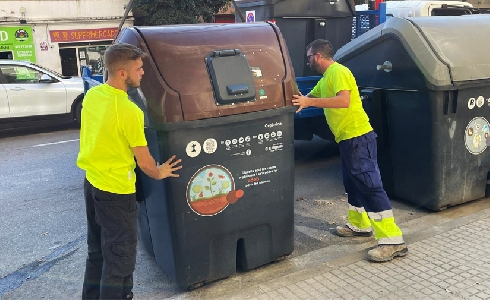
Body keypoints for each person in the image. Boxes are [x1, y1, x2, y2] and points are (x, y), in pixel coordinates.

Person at [77, 43, 182, 299]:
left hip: (92, 184)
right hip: (116, 192)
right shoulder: (129, 111)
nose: (143, 72)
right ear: (122, 73)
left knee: (98, 253)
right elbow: (145, 163)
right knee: (120, 263)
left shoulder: (93, 96)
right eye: (139, 68)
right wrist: (160, 171)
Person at [292, 39, 407, 262]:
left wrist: (309, 103)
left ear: (317, 56)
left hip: (358, 136)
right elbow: (311, 97)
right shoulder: (326, 78)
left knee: (369, 184)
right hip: (347, 138)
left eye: (308, 57)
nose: (307, 62)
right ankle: (359, 225)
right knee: (352, 183)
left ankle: (393, 240)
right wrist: (292, 94)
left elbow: (343, 101)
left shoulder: (339, 72)